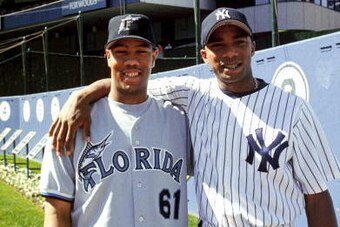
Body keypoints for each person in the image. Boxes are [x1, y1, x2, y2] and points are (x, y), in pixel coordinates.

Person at [49, 8, 340, 227]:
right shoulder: (192, 94)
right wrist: (81, 96)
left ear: (253, 46)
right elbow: (131, 83)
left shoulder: (293, 109)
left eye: (238, 42)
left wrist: (81, 95)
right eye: (217, 45)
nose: (229, 53)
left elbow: (317, 197)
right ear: (204, 54)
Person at [40, 14, 191, 227]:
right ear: (107, 56)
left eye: (141, 51)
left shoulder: (179, 121)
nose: (131, 60)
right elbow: (56, 212)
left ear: (154, 56)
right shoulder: (71, 124)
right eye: (121, 52)